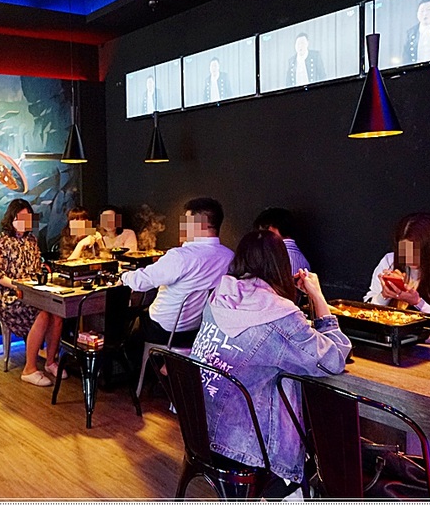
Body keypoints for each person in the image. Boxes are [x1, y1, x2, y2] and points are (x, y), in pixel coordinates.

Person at [191, 230, 351, 497]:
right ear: (281, 265)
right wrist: (317, 296)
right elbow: (332, 360)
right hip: (246, 448)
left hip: (202, 432)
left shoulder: (218, 296)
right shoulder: (279, 314)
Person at [122, 197, 233, 348]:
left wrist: (124, 276)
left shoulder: (180, 256)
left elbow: (140, 282)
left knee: (127, 321)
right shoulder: (229, 256)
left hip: (164, 329)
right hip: (197, 328)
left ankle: (131, 360)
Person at [0, 199, 64, 386]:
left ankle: (50, 362)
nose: (24, 222)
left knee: (57, 312)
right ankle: (29, 369)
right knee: (43, 313)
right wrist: (17, 286)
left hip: (33, 292)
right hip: (9, 296)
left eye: (28, 218)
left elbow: (37, 268)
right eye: (20, 217)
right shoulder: (2, 240)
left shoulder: (32, 240)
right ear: (11, 218)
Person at [364, 212, 430, 315]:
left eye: (415, 251)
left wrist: (418, 303)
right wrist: (384, 295)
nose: (409, 258)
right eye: (404, 250)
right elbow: (366, 311)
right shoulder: (390, 261)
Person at [253, 207, 311, 273]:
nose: (261, 235)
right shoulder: (301, 258)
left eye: (264, 229)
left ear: (276, 227)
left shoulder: (277, 258)